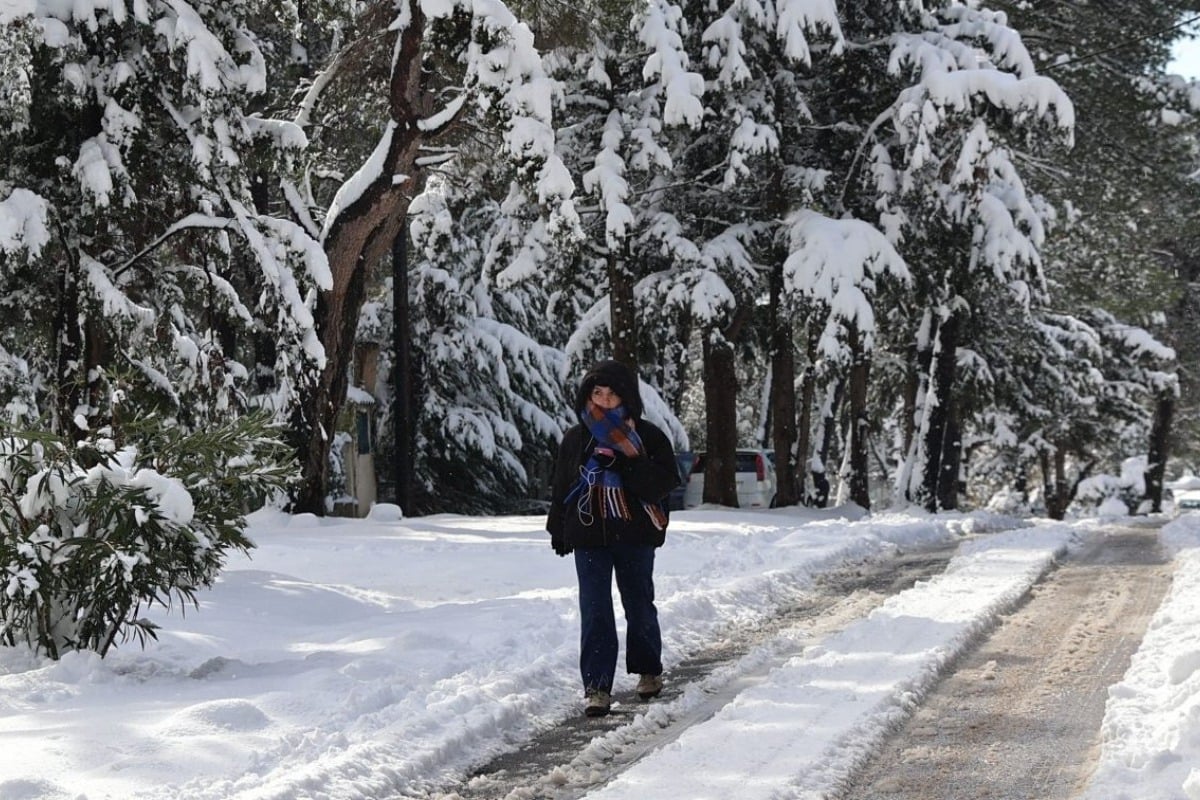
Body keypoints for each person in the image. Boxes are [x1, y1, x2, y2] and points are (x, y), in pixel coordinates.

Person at [546, 359, 680, 717]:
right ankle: (597, 687)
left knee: (638, 604)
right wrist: (557, 527)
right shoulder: (578, 437)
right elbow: (562, 485)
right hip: (589, 534)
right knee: (595, 610)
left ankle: (648, 670)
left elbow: (662, 484)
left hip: (635, 534)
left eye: (611, 393)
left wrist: (626, 464)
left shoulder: (648, 437)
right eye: (597, 393)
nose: (604, 400)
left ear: (626, 396)